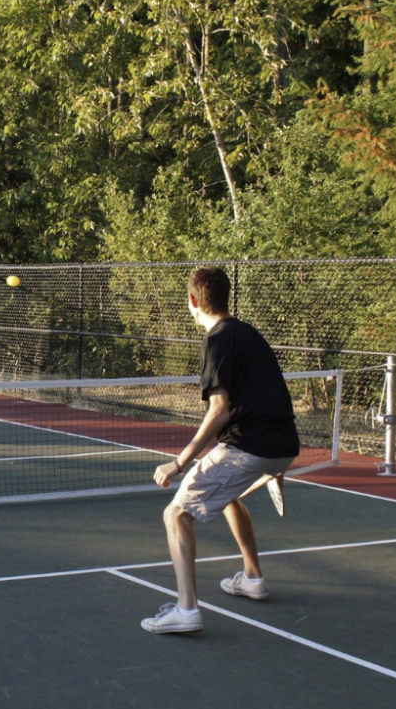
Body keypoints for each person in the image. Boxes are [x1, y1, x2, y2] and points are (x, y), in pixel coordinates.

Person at [140, 266, 300, 635]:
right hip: (283, 444)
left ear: (193, 301)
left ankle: (186, 610)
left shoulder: (215, 340)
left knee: (176, 514)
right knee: (227, 496)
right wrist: (275, 462)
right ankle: (253, 578)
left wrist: (179, 463)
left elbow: (219, 410)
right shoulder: (250, 334)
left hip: (249, 445)